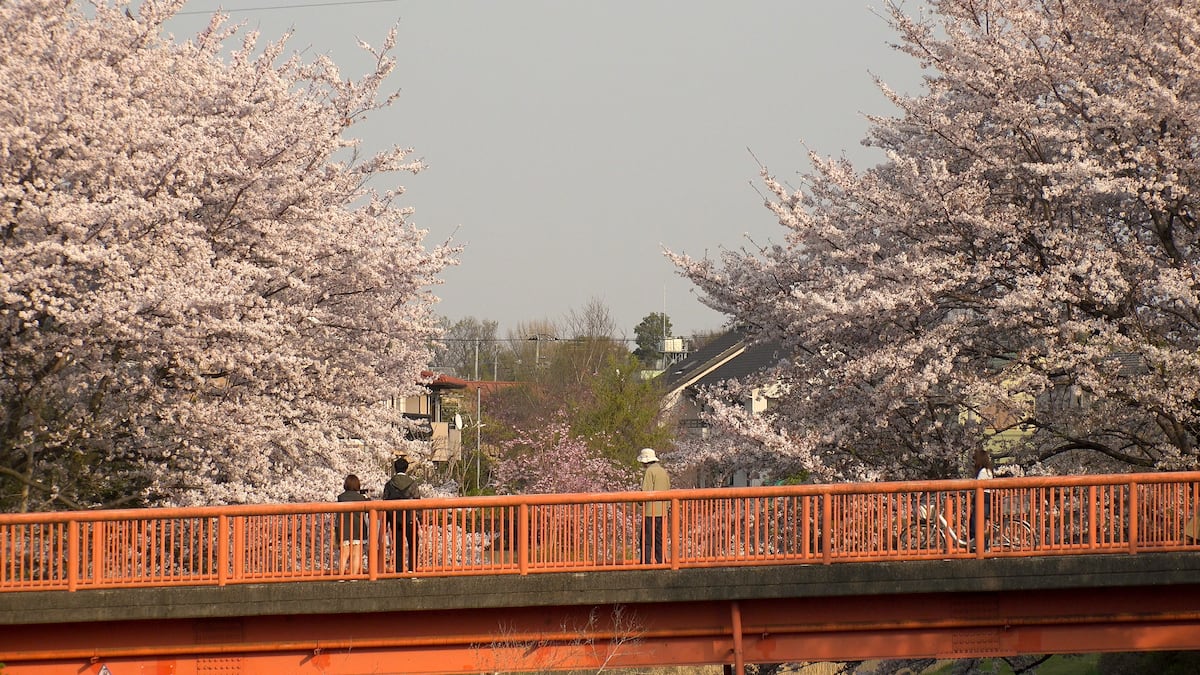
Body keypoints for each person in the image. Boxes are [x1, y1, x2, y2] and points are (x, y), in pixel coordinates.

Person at [382, 456, 422, 573]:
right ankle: (412, 569)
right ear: (406, 469)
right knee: (413, 544)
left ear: (395, 469)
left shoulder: (389, 484)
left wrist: (386, 521)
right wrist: (419, 518)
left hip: (395, 518)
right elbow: (417, 500)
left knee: (398, 545)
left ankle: (399, 570)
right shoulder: (412, 483)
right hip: (410, 517)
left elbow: (385, 501)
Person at [638, 447, 670, 564]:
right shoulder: (663, 471)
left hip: (650, 511)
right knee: (659, 539)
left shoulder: (649, 472)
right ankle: (661, 561)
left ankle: (645, 563)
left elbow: (645, 492)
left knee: (646, 539)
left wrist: (640, 502)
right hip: (662, 510)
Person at [335, 474, 369, 575]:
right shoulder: (361, 498)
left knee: (344, 554)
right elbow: (367, 510)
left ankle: (341, 576)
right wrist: (367, 497)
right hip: (358, 528)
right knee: (356, 554)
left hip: (344, 528)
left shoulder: (341, 497)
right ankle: (354, 577)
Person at [969, 448, 995, 551]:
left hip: (982, 499)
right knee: (979, 523)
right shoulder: (989, 471)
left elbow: (978, 485)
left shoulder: (983, 472)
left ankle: (980, 546)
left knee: (976, 524)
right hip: (987, 499)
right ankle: (980, 545)